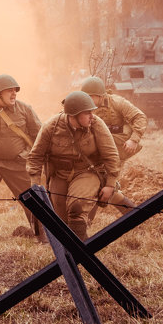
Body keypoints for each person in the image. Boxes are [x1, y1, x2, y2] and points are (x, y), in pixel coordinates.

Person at [25, 90, 122, 240]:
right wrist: (35, 185)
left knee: (76, 207)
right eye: (87, 113)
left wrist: (110, 184)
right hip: (60, 174)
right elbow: (35, 156)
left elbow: (112, 156)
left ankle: (83, 252)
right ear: (74, 115)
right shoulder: (51, 126)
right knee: (61, 221)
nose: (92, 116)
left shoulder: (96, 125)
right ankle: (68, 256)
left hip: (87, 172)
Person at [0, 74, 45, 243]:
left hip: (17, 162)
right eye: (9, 91)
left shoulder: (25, 109)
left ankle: (41, 235)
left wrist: (32, 159)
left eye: (15, 91)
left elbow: (40, 136)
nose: (14, 94)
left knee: (31, 196)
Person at [81, 75, 147, 211]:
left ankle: (86, 223)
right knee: (100, 184)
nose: (88, 100)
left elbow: (139, 117)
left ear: (100, 95)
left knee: (102, 184)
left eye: (91, 96)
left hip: (116, 149)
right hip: (95, 150)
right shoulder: (85, 106)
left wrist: (133, 140)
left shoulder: (118, 102)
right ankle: (133, 213)